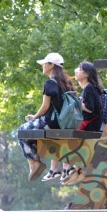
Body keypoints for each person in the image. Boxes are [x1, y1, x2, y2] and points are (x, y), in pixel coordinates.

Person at [17, 53, 76, 181]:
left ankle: (34, 161)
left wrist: (35, 117)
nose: (42, 66)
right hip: (66, 123)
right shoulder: (67, 82)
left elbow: (45, 107)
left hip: (53, 122)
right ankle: (43, 162)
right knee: (37, 134)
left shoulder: (50, 83)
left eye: (44, 63)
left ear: (51, 65)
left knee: (22, 131)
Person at [61, 61, 106, 185]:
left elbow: (90, 108)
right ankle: (76, 169)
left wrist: (76, 104)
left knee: (65, 137)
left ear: (86, 74)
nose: (76, 71)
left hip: (90, 123)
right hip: (91, 123)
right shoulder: (89, 89)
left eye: (80, 69)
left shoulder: (89, 88)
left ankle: (69, 169)